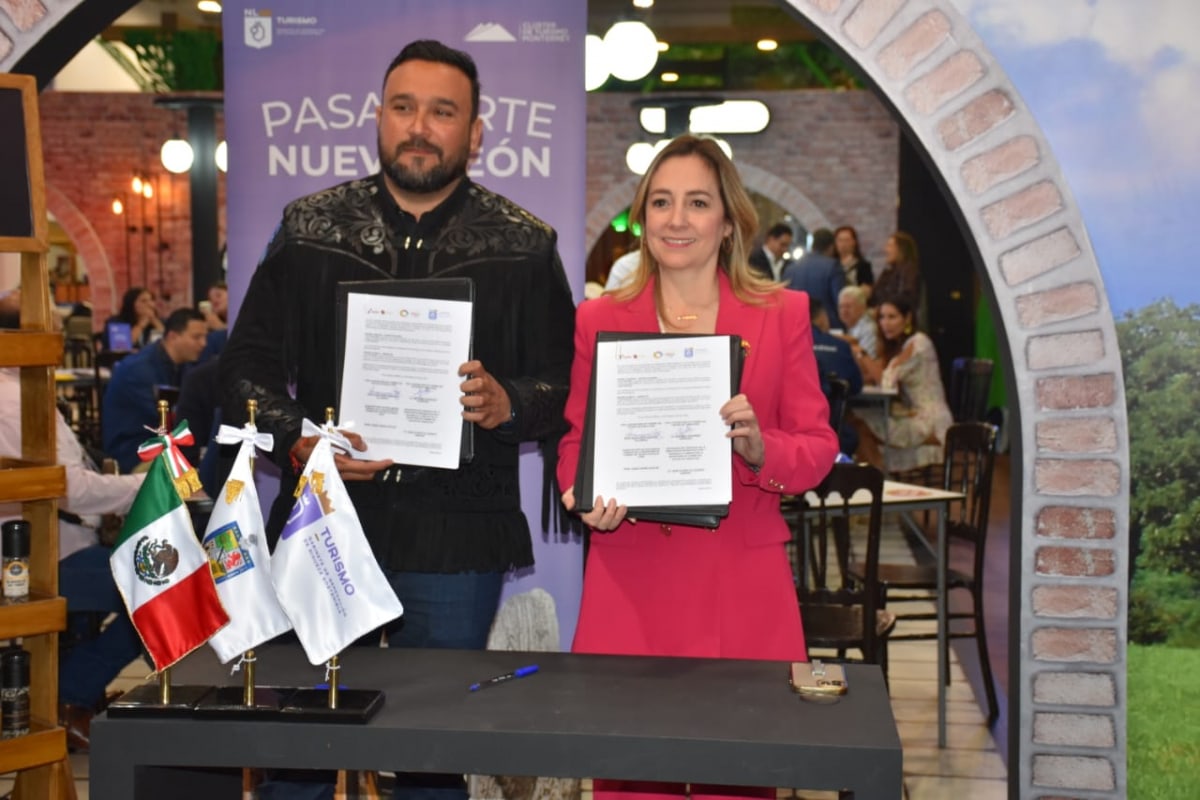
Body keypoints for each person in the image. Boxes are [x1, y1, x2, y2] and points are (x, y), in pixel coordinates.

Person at [219, 39, 574, 800]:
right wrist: (300, 439)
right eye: (404, 107)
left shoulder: (524, 245)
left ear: (476, 132)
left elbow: (563, 384)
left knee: (431, 754)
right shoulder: (307, 229)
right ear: (378, 117)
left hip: (458, 536)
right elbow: (243, 369)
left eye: (442, 112)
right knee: (300, 748)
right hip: (324, 522)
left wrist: (509, 403)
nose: (419, 127)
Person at [557, 135, 839, 800]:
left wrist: (761, 448)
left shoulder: (782, 314)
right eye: (661, 202)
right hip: (631, 580)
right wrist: (581, 491)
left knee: (738, 780)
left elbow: (819, 445)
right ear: (641, 218)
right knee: (629, 782)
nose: (677, 219)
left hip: (740, 585)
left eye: (697, 203)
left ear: (729, 220)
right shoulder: (599, 319)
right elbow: (576, 441)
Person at [0, 364, 145, 753]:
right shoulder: (16, 398)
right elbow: (70, 489)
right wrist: (146, 484)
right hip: (35, 558)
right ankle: (68, 697)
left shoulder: (19, 389)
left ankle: (76, 693)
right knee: (156, 590)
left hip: (47, 546)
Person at [850, 295, 952, 473]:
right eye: (882, 317)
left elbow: (886, 381)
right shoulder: (901, 345)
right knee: (854, 419)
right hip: (911, 414)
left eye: (892, 317)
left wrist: (860, 353)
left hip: (930, 421)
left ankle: (876, 479)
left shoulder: (919, 342)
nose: (885, 323)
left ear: (908, 318)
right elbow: (873, 375)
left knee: (858, 425)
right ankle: (878, 477)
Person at [101, 307, 208, 472]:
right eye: (196, 337)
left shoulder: (182, 366)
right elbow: (167, 422)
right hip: (133, 453)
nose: (204, 343)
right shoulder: (138, 371)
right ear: (173, 337)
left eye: (205, 337)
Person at [810, 299, 862, 455]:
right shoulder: (841, 346)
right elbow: (856, 386)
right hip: (834, 431)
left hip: (791, 434)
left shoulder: (787, 345)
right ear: (822, 318)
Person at [783, 227, 846, 330]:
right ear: (831, 247)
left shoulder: (791, 268)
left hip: (796, 326)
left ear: (813, 245)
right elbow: (839, 301)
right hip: (828, 327)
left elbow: (785, 301)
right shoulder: (833, 266)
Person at [869, 230, 922, 313]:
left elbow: (906, 298)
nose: (885, 249)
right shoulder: (887, 272)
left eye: (890, 246)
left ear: (901, 249)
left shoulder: (908, 270)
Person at [105, 287, 163, 351]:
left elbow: (160, 347)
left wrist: (157, 325)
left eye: (151, 300)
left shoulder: (157, 323)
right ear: (131, 304)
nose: (150, 304)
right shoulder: (117, 322)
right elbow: (122, 347)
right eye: (143, 301)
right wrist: (141, 324)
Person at [836, 284, 877, 358]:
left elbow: (866, 360)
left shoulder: (869, 330)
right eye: (841, 306)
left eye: (848, 306)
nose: (844, 311)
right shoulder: (846, 326)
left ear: (862, 308)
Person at [834, 224, 873, 288]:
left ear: (854, 242)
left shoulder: (863, 265)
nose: (843, 244)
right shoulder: (830, 264)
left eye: (847, 240)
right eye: (840, 240)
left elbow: (867, 288)